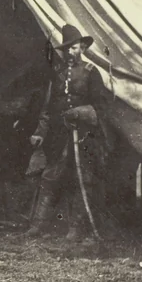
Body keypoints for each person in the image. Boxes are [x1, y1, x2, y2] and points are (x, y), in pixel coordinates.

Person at [26, 23, 110, 242]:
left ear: (82, 48)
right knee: (50, 177)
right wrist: (40, 132)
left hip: (83, 136)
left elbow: (101, 107)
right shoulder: (58, 74)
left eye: (76, 48)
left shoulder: (92, 73)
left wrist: (82, 112)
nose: (72, 52)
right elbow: (48, 107)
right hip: (59, 135)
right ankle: (38, 225)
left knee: (81, 178)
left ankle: (76, 228)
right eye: (68, 49)